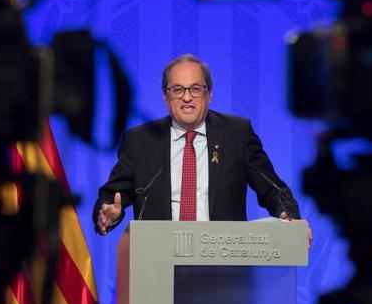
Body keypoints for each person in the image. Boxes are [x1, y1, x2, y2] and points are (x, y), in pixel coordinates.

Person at [93, 54, 311, 246]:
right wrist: (108, 213)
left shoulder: (237, 133)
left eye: (195, 89)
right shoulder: (140, 140)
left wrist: (288, 215)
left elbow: (272, 187)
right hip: (158, 260)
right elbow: (112, 196)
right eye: (177, 89)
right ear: (165, 96)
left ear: (209, 94)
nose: (187, 97)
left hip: (224, 262)